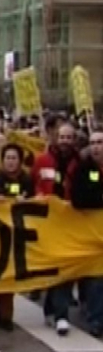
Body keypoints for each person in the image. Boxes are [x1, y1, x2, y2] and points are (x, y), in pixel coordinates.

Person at [31, 122, 79, 335]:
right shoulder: (41, 161)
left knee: (64, 269)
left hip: (70, 225)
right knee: (53, 267)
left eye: (69, 137)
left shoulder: (80, 163)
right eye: (62, 137)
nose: (65, 141)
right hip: (47, 224)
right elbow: (32, 184)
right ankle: (55, 310)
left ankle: (59, 313)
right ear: (55, 138)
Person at [0, 143, 34, 330]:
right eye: (7, 158)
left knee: (11, 274)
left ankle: (5, 314)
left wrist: (27, 201)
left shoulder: (27, 179)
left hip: (18, 234)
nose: (10, 162)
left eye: (14, 158)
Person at [69, 130, 103, 338]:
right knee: (96, 279)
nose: (96, 147)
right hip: (91, 233)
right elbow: (79, 199)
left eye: (100, 142)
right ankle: (96, 319)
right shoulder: (83, 169)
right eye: (93, 143)